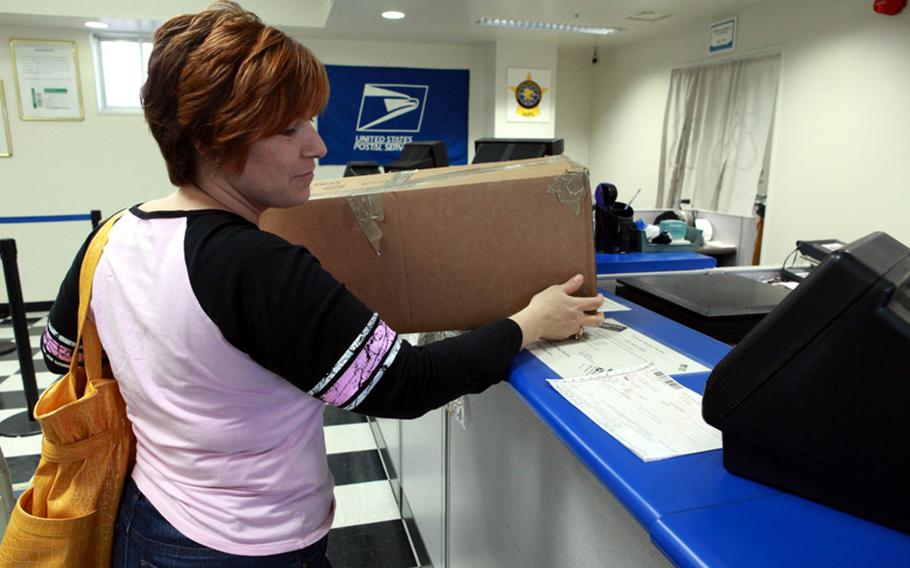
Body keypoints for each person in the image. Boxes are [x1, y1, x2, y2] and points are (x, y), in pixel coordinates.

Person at [41, 2, 604, 566]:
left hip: (146, 522)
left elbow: (58, 353)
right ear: (213, 139)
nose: (317, 146)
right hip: (248, 543)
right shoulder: (256, 264)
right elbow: (405, 384)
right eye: (289, 129)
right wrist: (529, 324)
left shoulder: (112, 235)